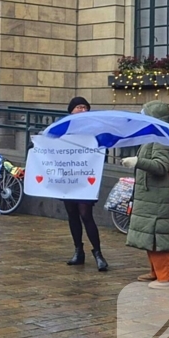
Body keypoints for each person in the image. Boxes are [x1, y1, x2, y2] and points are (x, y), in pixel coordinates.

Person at [122, 100, 169, 290]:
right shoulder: (152, 136)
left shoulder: (161, 139)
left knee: (159, 236)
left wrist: (137, 161)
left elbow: (161, 166)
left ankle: (167, 277)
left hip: (158, 196)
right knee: (149, 236)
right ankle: (156, 271)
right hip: (150, 195)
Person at [62, 97, 108, 272]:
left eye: (84, 107)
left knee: (85, 213)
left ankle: (98, 253)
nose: (82, 110)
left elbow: (102, 145)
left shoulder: (93, 128)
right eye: (78, 107)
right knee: (72, 214)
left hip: (85, 176)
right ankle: (78, 250)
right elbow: (50, 142)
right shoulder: (64, 127)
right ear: (71, 110)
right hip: (67, 176)